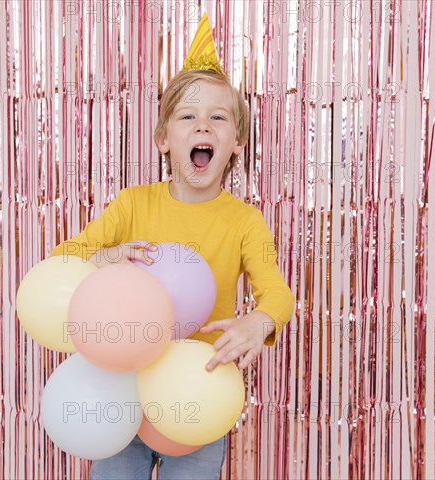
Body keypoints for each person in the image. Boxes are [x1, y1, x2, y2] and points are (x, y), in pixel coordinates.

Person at [50, 13, 294, 480]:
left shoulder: (245, 221)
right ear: (164, 139)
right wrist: (102, 258)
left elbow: (277, 293)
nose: (203, 125)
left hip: (197, 398)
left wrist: (258, 323)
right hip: (119, 395)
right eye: (188, 115)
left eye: (218, 117)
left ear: (236, 141)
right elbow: (63, 259)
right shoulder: (131, 205)